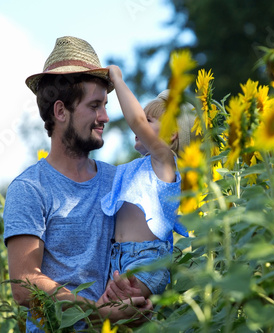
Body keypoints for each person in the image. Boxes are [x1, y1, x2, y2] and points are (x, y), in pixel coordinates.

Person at [3, 36, 152, 333]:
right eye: (95, 106)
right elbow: (24, 283)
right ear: (60, 111)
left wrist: (141, 299)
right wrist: (96, 314)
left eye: (106, 105)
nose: (105, 117)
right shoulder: (30, 188)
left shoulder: (120, 182)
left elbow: (145, 253)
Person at [100, 65, 195, 300]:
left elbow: (134, 121)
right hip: (119, 260)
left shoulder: (164, 162)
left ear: (172, 133)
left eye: (148, 119)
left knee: (109, 311)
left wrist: (118, 80)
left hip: (148, 262)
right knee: (111, 317)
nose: (141, 123)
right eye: (144, 117)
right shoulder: (135, 168)